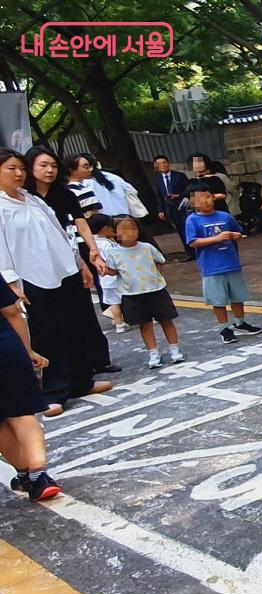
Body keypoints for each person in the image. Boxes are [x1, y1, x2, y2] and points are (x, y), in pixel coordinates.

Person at [0, 148, 112, 417]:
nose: (19, 174)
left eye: (21, 168)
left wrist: (79, 262)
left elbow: (60, 232)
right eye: (11, 168)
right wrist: (11, 281)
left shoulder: (31, 199)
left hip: (63, 270)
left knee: (76, 324)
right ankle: (54, 391)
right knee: (47, 332)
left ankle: (81, 381)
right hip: (31, 276)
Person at [24, 146, 119, 373]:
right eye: (43, 165)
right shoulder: (24, 197)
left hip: (71, 254)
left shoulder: (64, 193)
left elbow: (80, 221)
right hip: (37, 262)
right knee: (50, 317)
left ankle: (96, 361)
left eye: (53, 166)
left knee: (83, 308)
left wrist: (92, 250)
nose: (49, 171)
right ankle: (59, 369)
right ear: (31, 168)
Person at [0, 280, 60, 502]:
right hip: (5, 348)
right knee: (22, 412)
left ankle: (25, 474)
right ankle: (38, 475)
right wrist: (27, 351)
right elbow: (12, 311)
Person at [184, 181, 262, 344]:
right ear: (192, 202)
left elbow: (238, 232)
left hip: (231, 262)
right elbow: (192, 242)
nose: (205, 201)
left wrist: (236, 236)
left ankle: (240, 322)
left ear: (213, 197)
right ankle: (224, 327)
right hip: (212, 266)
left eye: (208, 197)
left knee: (237, 296)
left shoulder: (225, 216)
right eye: (200, 199)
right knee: (218, 299)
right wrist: (216, 238)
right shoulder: (192, 220)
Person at [101, 215, 184, 369]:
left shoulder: (147, 247)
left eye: (133, 228)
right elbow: (113, 271)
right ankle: (153, 352)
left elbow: (160, 261)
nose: (130, 232)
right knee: (144, 324)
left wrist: (157, 276)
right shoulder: (114, 253)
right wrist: (106, 271)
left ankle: (174, 348)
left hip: (156, 290)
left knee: (166, 320)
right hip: (132, 295)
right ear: (114, 233)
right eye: (124, 229)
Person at [86, 213, 128, 334]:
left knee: (114, 302)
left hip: (104, 279)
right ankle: (147, 316)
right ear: (105, 228)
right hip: (115, 277)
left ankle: (119, 324)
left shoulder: (93, 243)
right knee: (130, 298)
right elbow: (115, 259)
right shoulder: (107, 244)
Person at [152, 154, 191, 253]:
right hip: (169, 209)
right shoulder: (158, 179)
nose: (163, 165)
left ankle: (194, 249)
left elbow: (188, 191)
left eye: (164, 162)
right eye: (160, 164)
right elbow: (159, 196)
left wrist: (179, 196)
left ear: (168, 163)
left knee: (187, 228)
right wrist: (160, 210)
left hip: (182, 206)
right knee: (180, 231)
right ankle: (188, 251)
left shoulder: (179, 176)